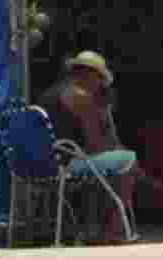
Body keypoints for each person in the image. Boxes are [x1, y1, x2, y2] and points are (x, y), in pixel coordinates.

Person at [39, 50, 141, 244]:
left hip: (45, 163)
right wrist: (102, 113)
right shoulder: (80, 97)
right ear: (89, 75)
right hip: (65, 164)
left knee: (115, 162)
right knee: (128, 160)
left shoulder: (51, 93)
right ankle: (113, 230)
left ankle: (92, 227)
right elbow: (96, 145)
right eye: (100, 79)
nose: (101, 84)